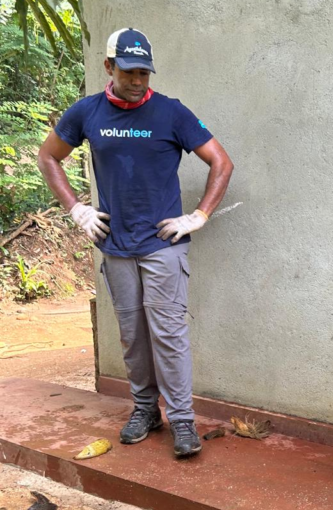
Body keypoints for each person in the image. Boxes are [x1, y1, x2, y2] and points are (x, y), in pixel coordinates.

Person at [38, 28, 234, 458]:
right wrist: (76, 208)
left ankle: (183, 421)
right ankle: (146, 410)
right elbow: (48, 155)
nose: (138, 81)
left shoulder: (171, 113)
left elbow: (221, 161)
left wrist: (197, 216)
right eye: (129, 72)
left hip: (162, 245)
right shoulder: (86, 113)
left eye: (144, 72)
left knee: (168, 334)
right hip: (116, 246)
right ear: (109, 67)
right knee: (132, 335)